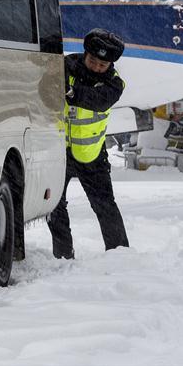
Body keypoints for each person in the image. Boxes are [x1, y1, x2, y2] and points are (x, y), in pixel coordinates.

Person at [48, 28, 129, 258]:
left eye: (102, 65)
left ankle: (120, 255)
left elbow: (96, 101)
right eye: (92, 61)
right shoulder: (65, 67)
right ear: (85, 54)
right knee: (54, 206)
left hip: (91, 155)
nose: (96, 67)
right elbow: (45, 89)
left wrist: (70, 92)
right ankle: (63, 255)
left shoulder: (115, 84)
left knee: (105, 206)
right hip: (60, 152)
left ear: (110, 66)